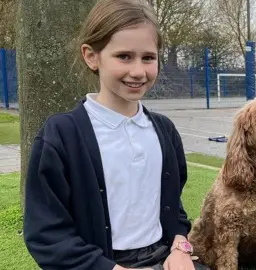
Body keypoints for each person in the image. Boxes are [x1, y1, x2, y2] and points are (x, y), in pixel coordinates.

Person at [22, 0, 208, 269]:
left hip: (166, 258)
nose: (138, 71)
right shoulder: (61, 135)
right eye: (124, 56)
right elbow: (47, 234)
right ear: (91, 56)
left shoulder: (164, 130)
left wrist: (180, 246)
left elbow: (172, 206)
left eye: (148, 57)